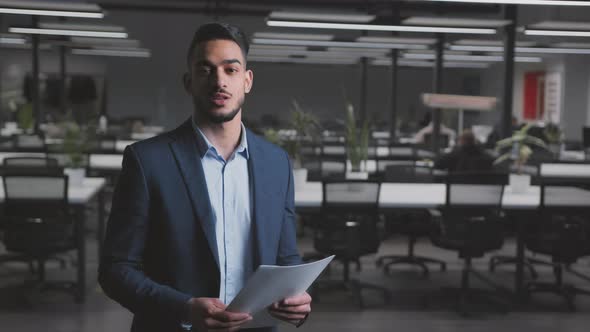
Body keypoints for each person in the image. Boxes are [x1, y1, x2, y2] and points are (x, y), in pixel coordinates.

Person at [99, 22, 311, 332]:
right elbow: (116, 270)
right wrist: (183, 308)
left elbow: (287, 258)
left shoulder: (276, 163)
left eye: (231, 70)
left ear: (247, 80)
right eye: (205, 70)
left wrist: (297, 300)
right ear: (189, 82)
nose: (219, 81)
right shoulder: (147, 161)